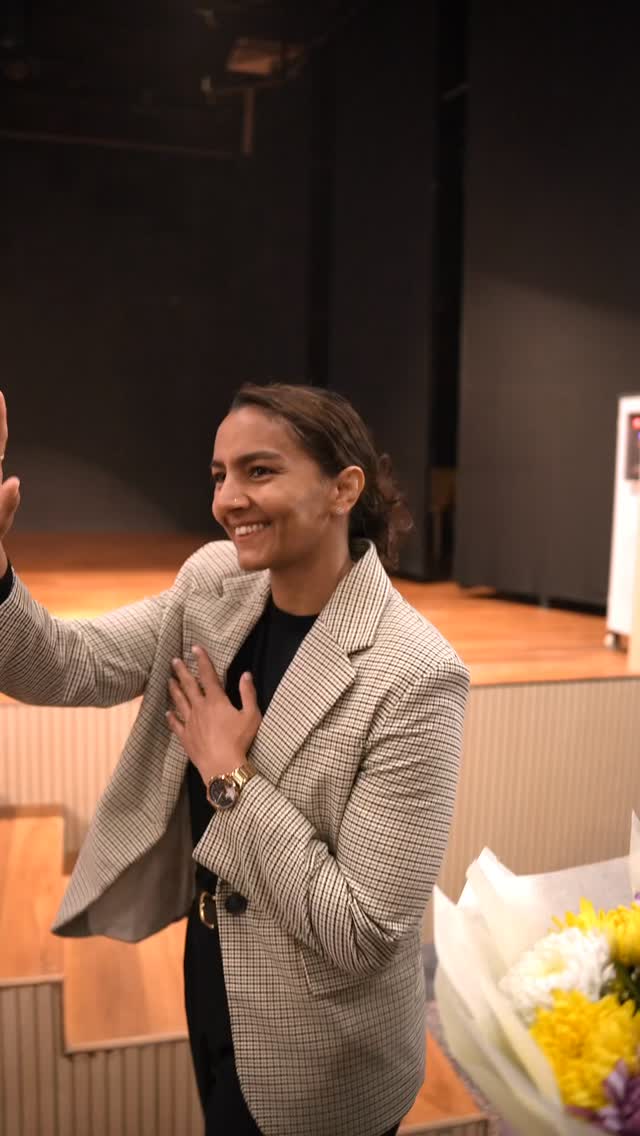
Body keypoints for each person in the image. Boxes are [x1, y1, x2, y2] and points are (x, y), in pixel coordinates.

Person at [0, 383, 469, 1136]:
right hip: (215, 978)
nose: (227, 498)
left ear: (344, 489)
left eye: (259, 471)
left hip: (322, 1054)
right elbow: (69, 664)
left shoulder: (415, 674)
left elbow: (363, 930)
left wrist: (231, 776)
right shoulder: (216, 584)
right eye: (219, 474)